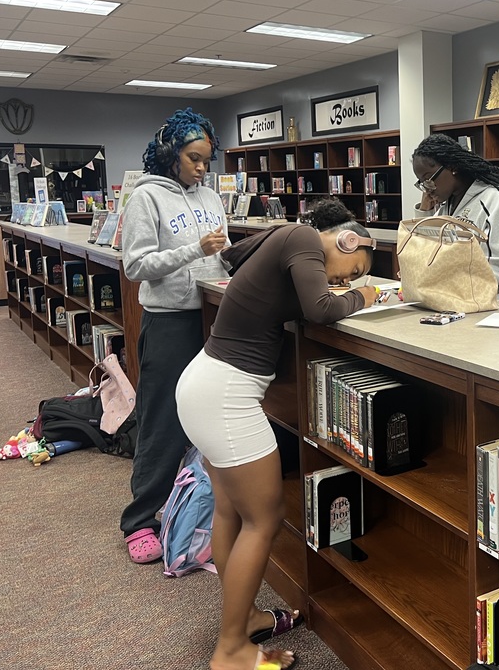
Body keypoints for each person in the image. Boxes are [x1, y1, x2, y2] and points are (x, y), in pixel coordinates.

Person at [175, 198, 378, 670]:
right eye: (353, 269)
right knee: (264, 519)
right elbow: (321, 309)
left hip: (205, 386)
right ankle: (231, 652)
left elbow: (234, 261)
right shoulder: (304, 239)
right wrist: (367, 298)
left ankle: (241, 621)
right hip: (226, 397)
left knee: (231, 511)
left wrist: (340, 289)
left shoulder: (286, 241)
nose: (346, 280)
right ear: (347, 240)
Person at [120, 107, 230, 564]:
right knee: (162, 419)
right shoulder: (147, 198)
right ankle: (139, 521)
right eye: (193, 158)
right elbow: (136, 265)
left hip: (210, 317)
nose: (202, 169)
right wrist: (193, 250)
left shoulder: (209, 197)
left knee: (210, 416)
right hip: (168, 322)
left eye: (207, 159)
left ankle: (200, 502)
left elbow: (217, 255)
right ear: (170, 155)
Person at [412, 133, 499, 299]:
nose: (427, 188)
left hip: (492, 308)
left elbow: (496, 270)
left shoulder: (496, 199)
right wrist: (425, 211)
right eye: (422, 183)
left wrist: (442, 283)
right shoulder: (447, 204)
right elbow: (423, 253)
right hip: (455, 301)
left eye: (428, 179)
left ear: (452, 167)